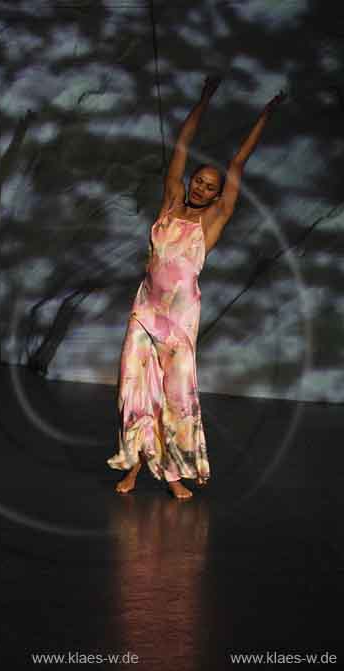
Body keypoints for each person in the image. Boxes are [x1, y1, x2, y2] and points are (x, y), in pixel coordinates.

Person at [108, 76, 284, 499]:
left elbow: (238, 163)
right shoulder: (170, 202)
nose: (203, 186)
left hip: (179, 322)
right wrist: (203, 100)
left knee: (176, 397)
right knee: (133, 390)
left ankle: (173, 472)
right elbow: (182, 147)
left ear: (219, 194)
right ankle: (134, 465)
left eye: (211, 185)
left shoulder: (213, 220)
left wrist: (266, 115)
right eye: (199, 181)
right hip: (144, 312)